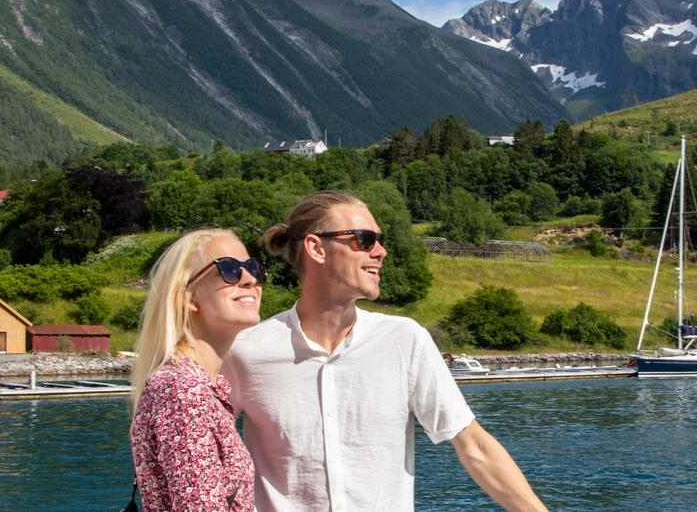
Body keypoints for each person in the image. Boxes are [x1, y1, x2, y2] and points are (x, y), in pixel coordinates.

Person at [223, 191, 550, 512]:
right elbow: (202, 455)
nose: (381, 251)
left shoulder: (404, 340)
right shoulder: (245, 351)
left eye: (379, 239)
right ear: (316, 248)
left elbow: (474, 446)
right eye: (365, 239)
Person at [130, 228, 265, 512]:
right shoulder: (182, 390)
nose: (250, 279)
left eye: (252, 268)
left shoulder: (203, 387)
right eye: (229, 270)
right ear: (189, 297)